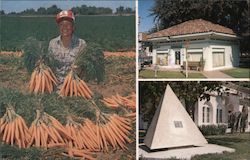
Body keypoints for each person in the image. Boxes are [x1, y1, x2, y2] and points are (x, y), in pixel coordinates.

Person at [48, 10, 87, 82]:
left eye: (68, 24)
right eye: (61, 24)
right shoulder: (52, 43)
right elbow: (50, 65)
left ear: (73, 27)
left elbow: (86, 66)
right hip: (55, 83)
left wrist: (79, 68)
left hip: (75, 84)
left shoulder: (81, 44)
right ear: (59, 27)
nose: (65, 27)